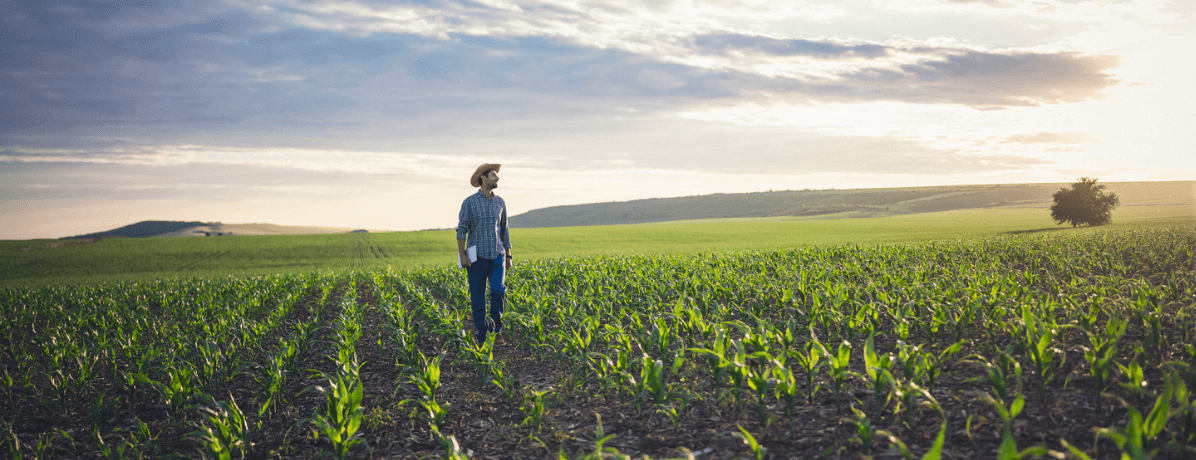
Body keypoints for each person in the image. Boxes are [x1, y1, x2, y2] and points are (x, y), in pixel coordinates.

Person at [456, 163, 513, 344]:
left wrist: (508, 254)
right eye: (494, 176)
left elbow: (504, 229)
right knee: (478, 299)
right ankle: (482, 335)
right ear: (483, 178)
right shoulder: (469, 202)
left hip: (497, 256)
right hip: (476, 258)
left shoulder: (500, 202)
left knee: (498, 291)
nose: (497, 179)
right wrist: (462, 254)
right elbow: (461, 229)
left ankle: (497, 329)